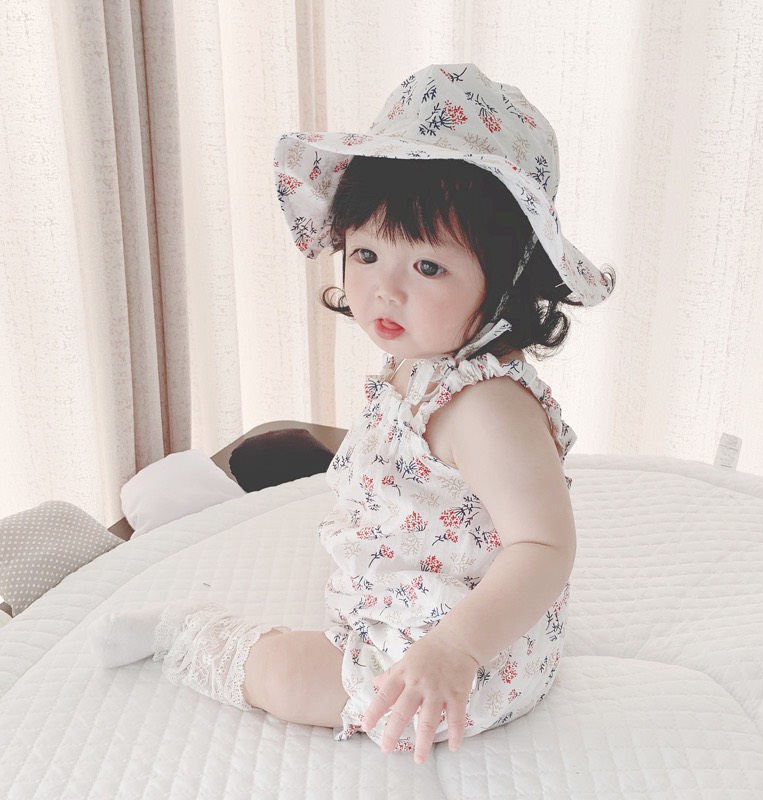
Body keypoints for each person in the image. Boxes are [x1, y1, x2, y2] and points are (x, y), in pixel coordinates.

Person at [88, 62, 616, 766]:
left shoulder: (487, 406)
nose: (384, 290)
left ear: (508, 279)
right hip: (413, 596)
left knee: (296, 682)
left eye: (428, 267)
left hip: (462, 657)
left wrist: (456, 649)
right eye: (365, 253)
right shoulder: (429, 356)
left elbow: (545, 546)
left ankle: (187, 634)